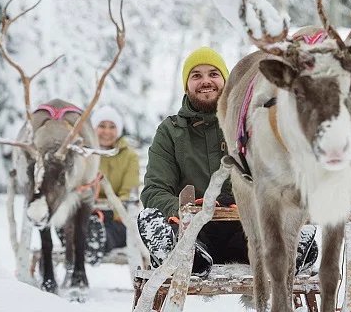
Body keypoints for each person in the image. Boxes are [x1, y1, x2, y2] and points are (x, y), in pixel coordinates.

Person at [137, 47, 317, 278]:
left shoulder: (248, 124)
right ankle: (188, 258)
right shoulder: (170, 132)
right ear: (186, 85)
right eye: (196, 75)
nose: (205, 81)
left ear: (225, 81)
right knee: (149, 218)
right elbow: (155, 189)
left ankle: (291, 251)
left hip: (246, 232)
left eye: (213, 74)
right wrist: (185, 211)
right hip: (193, 234)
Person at [84, 105, 140, 264]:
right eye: (101, 126)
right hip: (88, 212)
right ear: (94, 128)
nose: (106, 131)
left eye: (112, 127)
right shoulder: (85, 154)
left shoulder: (129, 156)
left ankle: (97, 242)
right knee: (77, 222)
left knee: (113, 231)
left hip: (116, 215)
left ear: (119, 130)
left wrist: (112, 211)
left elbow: (128, 192)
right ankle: (89, 238)